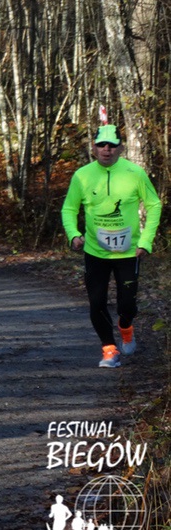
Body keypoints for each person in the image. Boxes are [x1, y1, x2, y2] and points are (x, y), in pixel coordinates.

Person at [60, 124, 162, 369]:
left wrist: (146, 241)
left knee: (127, 305)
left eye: (112, 145)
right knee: (97, 303)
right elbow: (69, 208)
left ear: (121, 148)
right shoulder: (82, 175)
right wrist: (73, 234)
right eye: (101, 145)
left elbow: (154, 204)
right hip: (95, 252)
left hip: (128, 252)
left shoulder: (134, 173)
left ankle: (126, 327)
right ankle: (109, 349)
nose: (107, 150)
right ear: (94, 148)